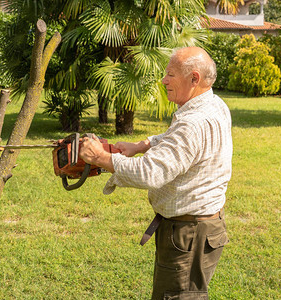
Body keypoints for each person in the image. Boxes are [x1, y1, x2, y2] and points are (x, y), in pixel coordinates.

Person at [79, 47, 232, 299]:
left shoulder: (192, 123)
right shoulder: (213, 104)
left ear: (194, 78)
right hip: (198, 230)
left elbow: (151, 172)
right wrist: (143, 145)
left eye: (170, 74)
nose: (163, 80)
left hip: (188, 234)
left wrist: (100, 157)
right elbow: (180, 141)